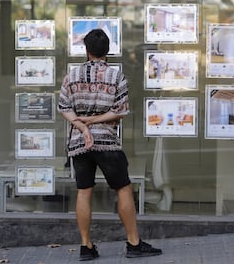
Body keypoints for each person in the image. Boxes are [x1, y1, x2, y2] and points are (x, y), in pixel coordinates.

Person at [58, 29, 162, 261]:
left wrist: (84, 126)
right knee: (123, 188)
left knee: (84, 192)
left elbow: (64, 108)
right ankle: (133, 243)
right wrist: (95, 122)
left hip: (79, 144)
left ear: (86, 50)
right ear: (108, 51)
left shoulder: (71, 76)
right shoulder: (117, 77)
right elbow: (120, 111)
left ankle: (86, 246)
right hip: (107, 142)